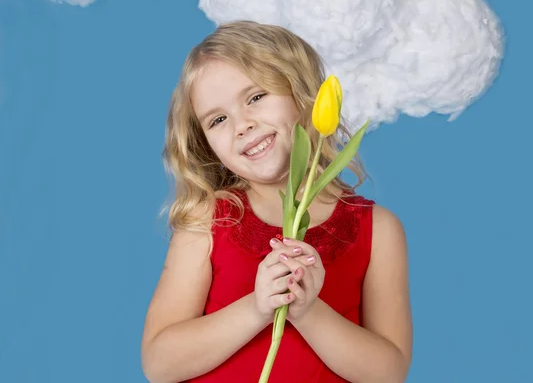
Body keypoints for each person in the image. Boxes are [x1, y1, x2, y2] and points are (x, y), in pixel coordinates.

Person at [141, 20, 413, 383]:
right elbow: (160, 363)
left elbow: (388, 372)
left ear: (302, 93)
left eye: (255, 97)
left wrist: (308, 311)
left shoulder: (378, 229)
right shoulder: (209, 220)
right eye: (218, 119)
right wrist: (257, 308)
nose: (242, 125)